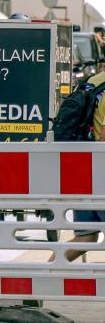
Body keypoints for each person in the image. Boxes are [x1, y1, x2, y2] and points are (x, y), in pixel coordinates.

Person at [58, 70, 105, 262]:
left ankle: (44, 272)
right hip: (100, 172)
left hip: (85, 170)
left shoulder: (93, 82)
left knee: (85, 238)